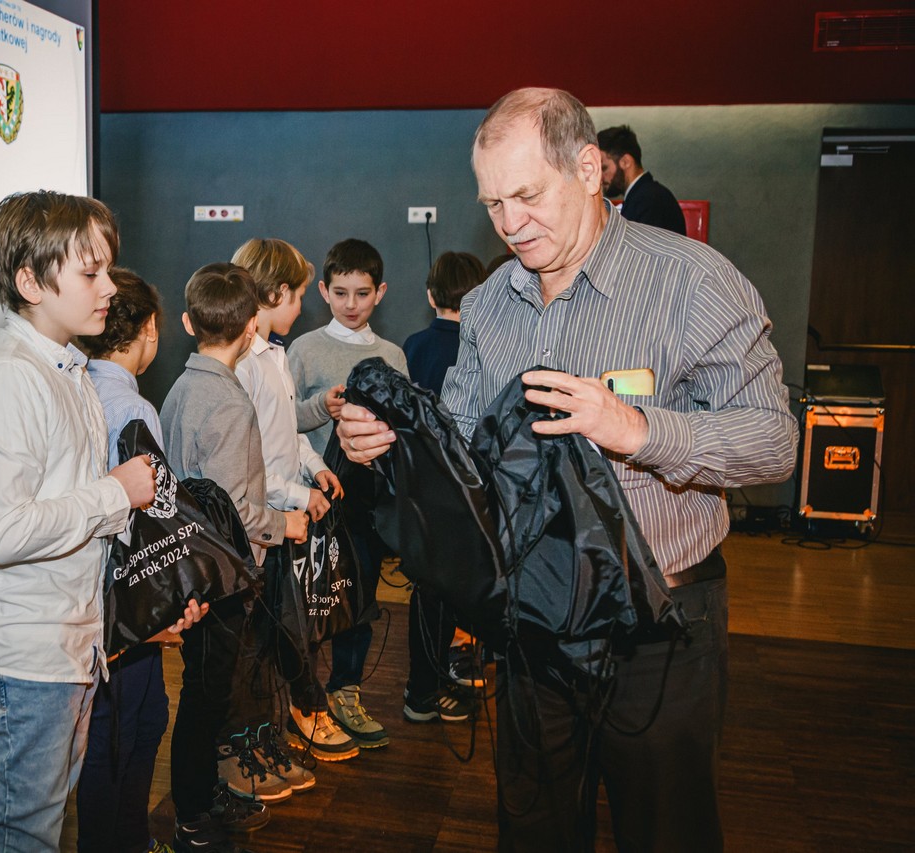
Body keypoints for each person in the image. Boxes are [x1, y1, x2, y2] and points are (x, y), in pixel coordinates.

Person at [339, 87, 796, 851]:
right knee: (534, 830)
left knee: (667, 831)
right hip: (531, 629)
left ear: (589, 169)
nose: (510, 222)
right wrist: (392, 443)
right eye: (493, 204)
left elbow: (775, 442)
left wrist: (638, 429)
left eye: (527, 195)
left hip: (661, 627)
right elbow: (464, 443)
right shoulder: (488, 304)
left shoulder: (691, 281)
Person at [0, 192, 160, 852]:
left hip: (63, 640)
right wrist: (116, 492)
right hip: (24, 650)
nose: (109, 288)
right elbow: (4, 531)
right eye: (90, 273)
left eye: (108, 270)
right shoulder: (12, 376)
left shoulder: (65, 366)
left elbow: (64, 510)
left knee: (39, 821)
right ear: (31, 283)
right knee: (22, 835)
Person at [160, 262, 309, 853]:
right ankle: (194, 813)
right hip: (218, 575)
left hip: (190, 565)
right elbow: (234, 513)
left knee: (204, 691)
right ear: (251, 326)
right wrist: (284, 523)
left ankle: (199, 798)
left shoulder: (180, 387)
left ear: (187, 322)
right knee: (206, 697)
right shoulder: (226, 400)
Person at [74, 267, 211, 853]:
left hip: (86, 594)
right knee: (124, 732)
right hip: (123, 603)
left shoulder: (76, 388)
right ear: (150, 328)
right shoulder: (133, 408)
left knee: (127, 723)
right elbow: (151, 522)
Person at [229, 237, 345, 790]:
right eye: (297, 295)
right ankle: (248, 744)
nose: (301, 306)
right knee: (255, 642)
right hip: (258, 522)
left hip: (280, 516)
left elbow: (287, 435)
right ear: (274, 293)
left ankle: (273, 730)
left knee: (284, 627)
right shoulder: (244, 364)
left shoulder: (275, 355)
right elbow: (248, 461)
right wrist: (299, 497)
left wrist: (315, 467)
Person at [286, 238, 407, 755]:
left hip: (367, 501)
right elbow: (280, 421)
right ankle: (304, 699)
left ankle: (345, 691)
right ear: (323, 291)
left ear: (380, 292)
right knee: (311, 600)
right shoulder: (304, 349)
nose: (351, 304)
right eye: (340, 292)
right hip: (313, 497)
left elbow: (404, 430)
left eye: (362, 293)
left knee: (359, 601)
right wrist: (322, 405)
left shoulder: (392, 355)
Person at [400, 250, 486, 725]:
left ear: (430, 295)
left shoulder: (412, 347)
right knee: (459, 591)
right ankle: (436, 683)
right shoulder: (485, 348)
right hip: (470, 491)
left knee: (429, 592)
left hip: (424, 491)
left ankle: (424, 687)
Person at [597, 124, 688, 235]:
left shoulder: (649, 200)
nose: (600, 177)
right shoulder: (646, 196)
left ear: (626, 162)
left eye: (604, 168)